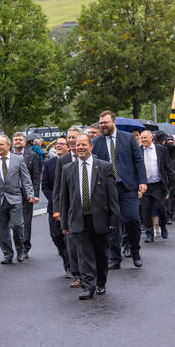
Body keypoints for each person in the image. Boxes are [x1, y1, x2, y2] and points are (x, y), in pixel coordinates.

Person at [59, 134, 120, 300]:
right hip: (78, 220)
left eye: (83, 145)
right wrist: (64, 223)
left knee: (101, 254)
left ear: (91, 147)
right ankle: (88, 286)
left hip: (100, 219)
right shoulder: (68, 169)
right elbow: (65, 198)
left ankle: (101, 282)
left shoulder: (105, 167)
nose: (80, 148)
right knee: (84, 255)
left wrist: (114, 219)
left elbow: (112, 196)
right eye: (77, 145)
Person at [93, 111, 147, 269]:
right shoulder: (97, 143)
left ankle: (135, 250)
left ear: (114, 122)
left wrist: (142, 181)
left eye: (106, 123)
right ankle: (115, 257)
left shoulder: (128, 138)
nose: (103, 126)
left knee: (132, 219)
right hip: (107, 189)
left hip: (127, 186)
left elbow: (138, 161)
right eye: (101, 123)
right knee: (112, 224)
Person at [0, 135, 34, 264]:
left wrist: (30, 194)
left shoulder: (18, 159)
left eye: (1, 144)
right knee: (2, 229)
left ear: (8, 146)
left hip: (15, 198)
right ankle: (7, 254)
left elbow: (26, 179)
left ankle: (20, 250)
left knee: (17, 226)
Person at [53, 126, 82, 287]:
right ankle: (77, 274)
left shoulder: (93, 158)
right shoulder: (62, 161)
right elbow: (58, 187)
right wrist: (57, 209)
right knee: (71, 243)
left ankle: (90, 273)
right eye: (69, 137)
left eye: (73, 137)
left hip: (88, 207)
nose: (71, 140)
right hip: (69, 209)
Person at [139, 131, 175, 243]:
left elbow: (168, 167)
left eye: (145, 137)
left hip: (158, 185)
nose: (143, 140)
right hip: (144, 185)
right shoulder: (138, 150)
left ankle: (163, 225)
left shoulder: (161, 150)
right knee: (145, 210)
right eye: (142, 138)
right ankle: (149, 233)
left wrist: (171, 185)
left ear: (151, 138)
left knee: (160, 207)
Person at [42, 136, 71, 276]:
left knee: (70, 237)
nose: (58, 146)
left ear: (68, 147)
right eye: (57, 144)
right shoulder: (49, 164)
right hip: (54, 206)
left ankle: (71, 264)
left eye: (61, 144)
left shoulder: (73, 161)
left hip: (71, 206)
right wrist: (55, 200)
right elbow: (45, 186)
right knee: (56, 235)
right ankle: (64, 254)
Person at [12, 132, 40, 259]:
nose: (18, 141)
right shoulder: (9, 155)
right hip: (12, 193)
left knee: (26, 220)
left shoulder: (32, 156)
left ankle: (25, 247)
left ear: (25, 142)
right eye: (16, 139)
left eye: (20, 139)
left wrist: (35, 194)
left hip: (27, 193)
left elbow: (36, 176)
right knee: (14, 223)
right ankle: (17, 246)